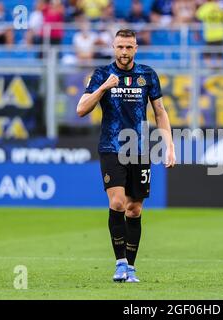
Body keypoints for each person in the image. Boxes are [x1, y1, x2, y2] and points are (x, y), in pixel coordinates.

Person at [76, 29, 176, 283]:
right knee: (118, 203)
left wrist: (170, 146)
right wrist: (104, 87)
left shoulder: (147, 75)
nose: (123, 52)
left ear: (136, 48)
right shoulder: (101, 74)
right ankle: (119, 264)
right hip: (111, 147)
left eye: (129, 47)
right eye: (120, 47)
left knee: (134, 209)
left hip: (140, 149)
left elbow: (160, 112)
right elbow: (81, 109)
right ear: (113, 47)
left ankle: (131, 267)